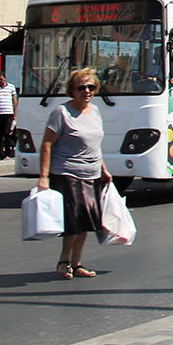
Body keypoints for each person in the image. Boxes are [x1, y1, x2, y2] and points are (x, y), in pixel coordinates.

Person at [37, 67, 113, 279]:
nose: (86, 91)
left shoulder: (95, 111)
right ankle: (64, 261)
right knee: (74, 222)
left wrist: (104, 169)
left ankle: (77, 263)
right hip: (67, 173)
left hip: (92, 174)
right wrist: (43, 177)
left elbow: (94, 145)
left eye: (90, 87)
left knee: (87, 222)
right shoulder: (61, 113)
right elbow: (47, 145)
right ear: (72, 90)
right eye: (81, 87)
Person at [0, 71, 17, 160]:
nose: (0, 81)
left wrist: (15, 114)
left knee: (7, 133)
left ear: (5, 78)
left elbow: (15, 101)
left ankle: (7, 153)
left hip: (8, 113)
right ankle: (1, 153)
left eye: (1, 79)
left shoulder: (11, 87)